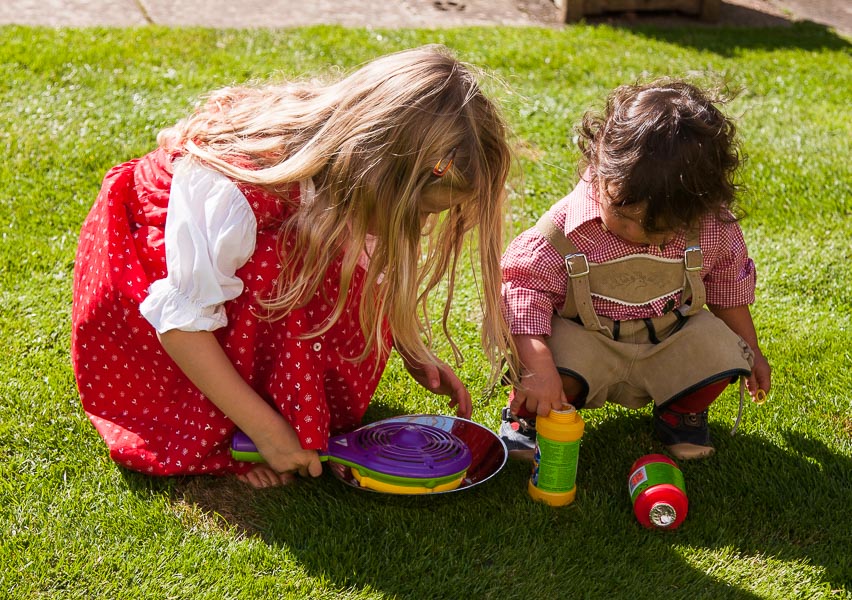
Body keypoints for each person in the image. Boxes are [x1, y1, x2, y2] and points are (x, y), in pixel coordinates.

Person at [71, 45, 513, 488]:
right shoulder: (234, 189)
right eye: (420, 212)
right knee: (276, 269)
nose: (420, 226)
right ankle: (235, 427)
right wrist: (266, 431)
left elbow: (368, 263)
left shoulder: (351, 170)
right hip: (146, 296)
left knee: (310, 267)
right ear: (375, 171)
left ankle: (263, 409)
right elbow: (181, 325)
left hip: (219, 278)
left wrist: (411, 349)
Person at [500, 78, 771, 460]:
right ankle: (530, 415)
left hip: (667, 337)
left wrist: (753, 350)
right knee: (544, 362)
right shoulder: (562, 232)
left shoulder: (712, 227)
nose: (640, 235)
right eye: (626, 217)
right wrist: (537, 368)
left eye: (662, 230)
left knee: (723, 351)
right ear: (601, 169)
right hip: (586, 342)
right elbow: (523, 296)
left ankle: (680, 413)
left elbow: (728, 290)